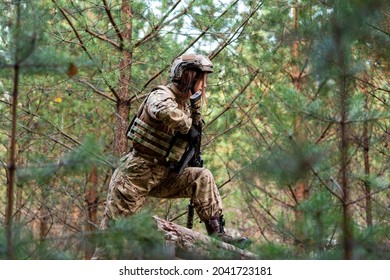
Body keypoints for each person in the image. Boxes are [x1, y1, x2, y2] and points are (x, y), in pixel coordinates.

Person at [92, 53, 249, 259]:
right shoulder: (162, 94)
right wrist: (186, 125)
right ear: (188, 76)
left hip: (164, 174)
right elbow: (161, 110)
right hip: (135, 175)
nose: (203, 85)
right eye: (200, 78)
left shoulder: (189, 105)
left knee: (202, 176)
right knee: (113, 241)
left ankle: (217, 235)